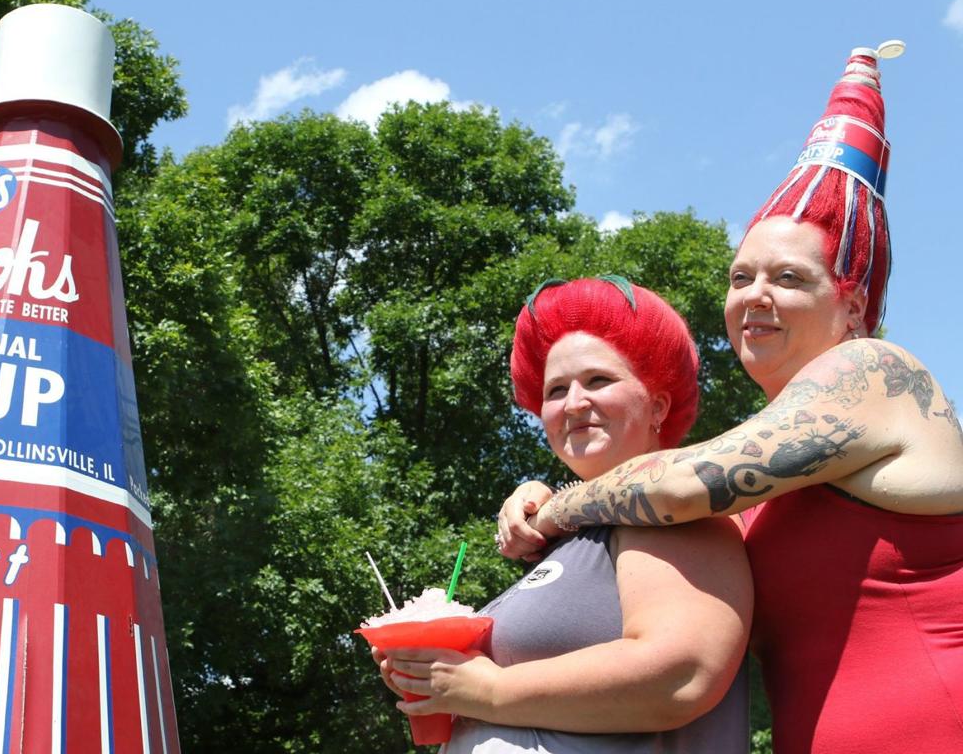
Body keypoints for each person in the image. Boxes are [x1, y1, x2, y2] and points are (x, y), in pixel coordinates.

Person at [498, 44, 963, 754]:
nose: (755, 297)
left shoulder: (871, 371)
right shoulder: (765, 488)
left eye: (788, 278)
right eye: (741, 277)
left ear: (853, 305)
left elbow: (680, 483)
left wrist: (551, 508)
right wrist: (536, 493)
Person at [373, 276, 753, 753]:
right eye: (555, 391)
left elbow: (683, 674)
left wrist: (486, 690)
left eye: (598, 380)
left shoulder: (673, 513)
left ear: (657, 404)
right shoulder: (568, 537)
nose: (574, 404)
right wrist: (432, 679)